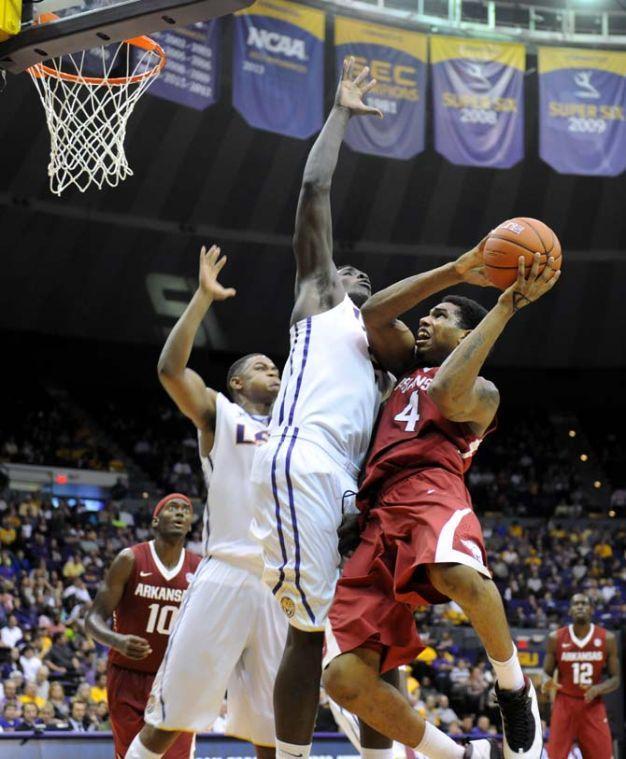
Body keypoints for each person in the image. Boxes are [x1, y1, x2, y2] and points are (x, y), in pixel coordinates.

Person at [323, 247, 561, 759]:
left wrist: (506, 305)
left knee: (454, 575)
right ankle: (461, 756)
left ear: (467, 334)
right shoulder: (405, 366)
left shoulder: (484, 392)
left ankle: (514, 689)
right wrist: (455, 271)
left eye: (441, 316)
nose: (426, 320)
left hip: (431, 488)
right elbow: (374, 313)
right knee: (343, 679)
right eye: (428, 314)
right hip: (375, 512)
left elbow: (450, 392)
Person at [249, 56, 395, 759]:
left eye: (369, 274)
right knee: (310, 631)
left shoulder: (379, 369)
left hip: (343, 485)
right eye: (349, 265)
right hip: (302, 459)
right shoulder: (321, 298)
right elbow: (314, 187)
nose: (356, 270)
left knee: (367, 636)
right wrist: (340, 111)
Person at [125, 245, 286, 759]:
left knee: (273, 730)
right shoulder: (221, 414)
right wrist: (200, 298)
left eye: (277, 367)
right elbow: (171, 369)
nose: (275, 371)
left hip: (280, 586)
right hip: (225, 575)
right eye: (263, 367)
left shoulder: (299, 433)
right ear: (237, 383)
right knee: (169, 717)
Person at [85, 493, 200, 759]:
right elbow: (92, 619)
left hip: (175, 680)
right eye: (173, 508)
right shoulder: (130, 559)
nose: (181, 513)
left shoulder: (200, 568)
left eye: (186, 510)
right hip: (128, 676)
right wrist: (117, 641)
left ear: (190, 524)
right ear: (155, 521)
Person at [542, 593, 620, 758]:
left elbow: (616, 678)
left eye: (584, 603)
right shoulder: (555, 638)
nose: (580, 607)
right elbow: (545, 673)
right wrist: (547, 681)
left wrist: (598, 688)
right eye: (576, 604)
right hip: (564, 704)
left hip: (592, 703)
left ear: (591, 609)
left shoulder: (608, 639)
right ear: (570, 610)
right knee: (555, 756)